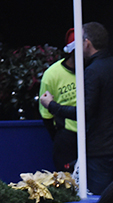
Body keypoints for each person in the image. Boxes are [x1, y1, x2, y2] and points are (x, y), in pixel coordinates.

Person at [40, 22, 113, 195]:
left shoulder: (92, 72)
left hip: (100, 150)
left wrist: (52, 106)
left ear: (87, 43)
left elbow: (84, 113)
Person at [39, 28, 78, 172]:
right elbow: (46, 115)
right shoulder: (52, 74)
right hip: (66, 137)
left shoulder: (94, 70)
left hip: (94, 137)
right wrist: (59, 138)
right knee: (66, 180)